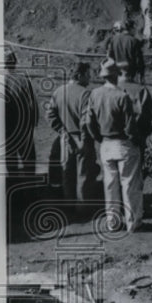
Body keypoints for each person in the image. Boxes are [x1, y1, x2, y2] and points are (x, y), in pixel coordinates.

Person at [83, 59, 141, 233]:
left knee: (110, 185)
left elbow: (89, 122)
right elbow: (130, 126)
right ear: (116, 75)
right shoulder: (122, 96)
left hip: (106, 144)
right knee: (129, 184)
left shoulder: (94, 94)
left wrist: (99, 138)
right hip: (123, 143)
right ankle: (133, 222)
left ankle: (113, 223)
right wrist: (135, 140)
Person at [46, 60, 99, 215]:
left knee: (67, 173)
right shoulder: (85, 94)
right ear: (80, 75)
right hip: (82, 139)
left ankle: (69, 206)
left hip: (65, 138)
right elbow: (85, 120)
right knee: (84, 174)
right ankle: (82, 208)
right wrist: (83, 139)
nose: (89, 79)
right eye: (87, 75)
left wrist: (62, 131)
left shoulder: (58, 91)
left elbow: (50, 115)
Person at [3, 47, 39, 176]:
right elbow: (32, 103)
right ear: (15, 62)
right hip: (24, 128)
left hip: (8, 130)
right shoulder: (23, 80)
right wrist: (34, 122)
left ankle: (15, 191)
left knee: (11, 163)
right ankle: (30, 192)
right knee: (29, 162)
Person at [117, 60, 152, 178]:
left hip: (113, 136)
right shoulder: (141, 90)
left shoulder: (109, 90)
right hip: (136, 137)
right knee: (135, 171)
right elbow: (146, 115)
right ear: (134, 74)